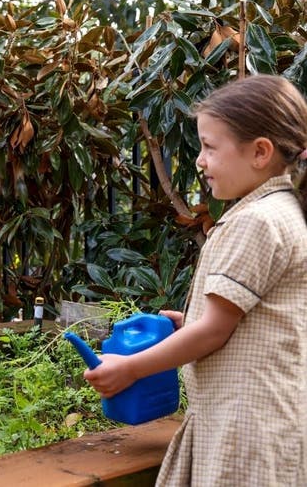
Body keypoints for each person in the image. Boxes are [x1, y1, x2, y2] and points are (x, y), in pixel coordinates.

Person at [83, 74, 307, 485]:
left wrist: (130, 369)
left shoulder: (258, 221)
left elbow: (213, 334)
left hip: (245, 431)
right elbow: (255, 321)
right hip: (263, 422)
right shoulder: (283, 211)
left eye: (209, 147)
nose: (200, 160)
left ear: (260, 152)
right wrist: (193, 324)